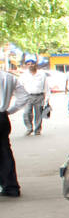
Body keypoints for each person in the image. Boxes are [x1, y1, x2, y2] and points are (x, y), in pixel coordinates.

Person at [0, 67, 29, 196]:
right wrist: (9, 111)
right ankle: (11, 186)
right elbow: (23, 97)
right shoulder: (8, 77)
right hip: (2, 117)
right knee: (5, 151)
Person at [18, 59, 51, 136]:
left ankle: (37, 130)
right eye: (28, 64)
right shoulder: (23, 76)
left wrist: (47, 98)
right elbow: (19, 87)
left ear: (35, 65)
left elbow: (46, 87)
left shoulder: (42, 75)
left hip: (39, 96)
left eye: (32, 64)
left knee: (38, 114)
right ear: (26, 66)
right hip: (28, 97)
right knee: (26, 113)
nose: (30, 65)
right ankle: (29, 128)